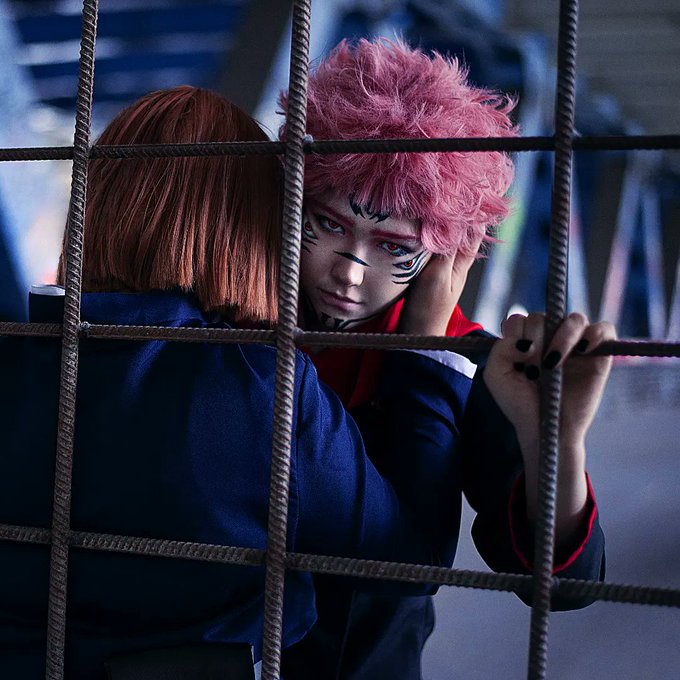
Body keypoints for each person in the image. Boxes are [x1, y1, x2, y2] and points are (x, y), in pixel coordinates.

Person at [0, 86, 485, 679]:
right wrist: (425, 349)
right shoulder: (264, 386)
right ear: (252, 227)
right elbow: (409, 560)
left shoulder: (13, 357)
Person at [278, 39, 615, 679]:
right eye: (329, 225)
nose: (351, 271)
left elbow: (566, 584)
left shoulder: (476, 363)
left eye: (393, 246)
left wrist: (558, 445)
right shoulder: (238, 315)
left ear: (444, 252)